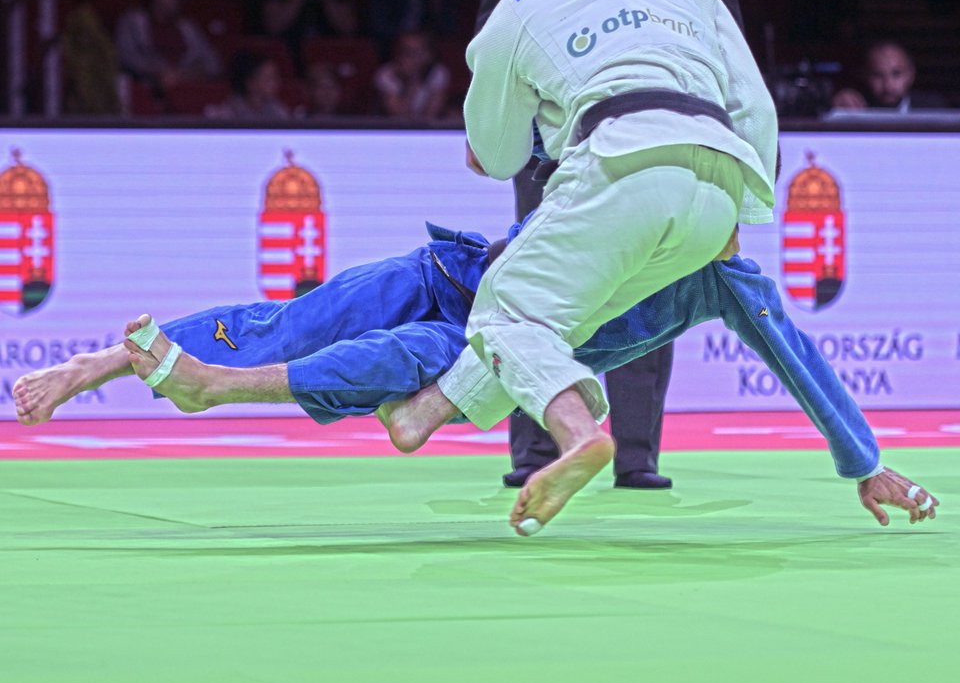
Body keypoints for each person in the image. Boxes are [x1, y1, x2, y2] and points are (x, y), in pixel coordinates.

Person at [11, 220, 938, 530]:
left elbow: (801, 361)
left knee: (402, 369)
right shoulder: (629, 176)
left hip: (489, 338)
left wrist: (864, 464)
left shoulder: (731, 280)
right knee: (287, 320)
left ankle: (212, 388)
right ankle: (97, 365)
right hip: (447, 271)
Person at [384, 0, 779, 535]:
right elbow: (755, 106)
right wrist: (745, 212)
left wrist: (493, 138)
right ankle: (424, 412)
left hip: (624, 167)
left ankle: (579, 437)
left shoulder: (516, 10)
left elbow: (501, 157)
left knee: (504, 305)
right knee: (561, 319)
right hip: (717, 190)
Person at [477, 0, 743, 493]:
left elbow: (719, 12)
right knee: (534, 278)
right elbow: (497, 11)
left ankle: (635, 451)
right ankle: (534, 452)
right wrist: (489, 116)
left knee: (644, 278)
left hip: (656, 123)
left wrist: (721, 122)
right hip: (547, 131)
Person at [831, 40, 947, 111]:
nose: (888, 85)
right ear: (865, 76)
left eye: (896, 74)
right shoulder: (853, 106)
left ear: (911, 75)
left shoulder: (932, 107)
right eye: (877, 75)